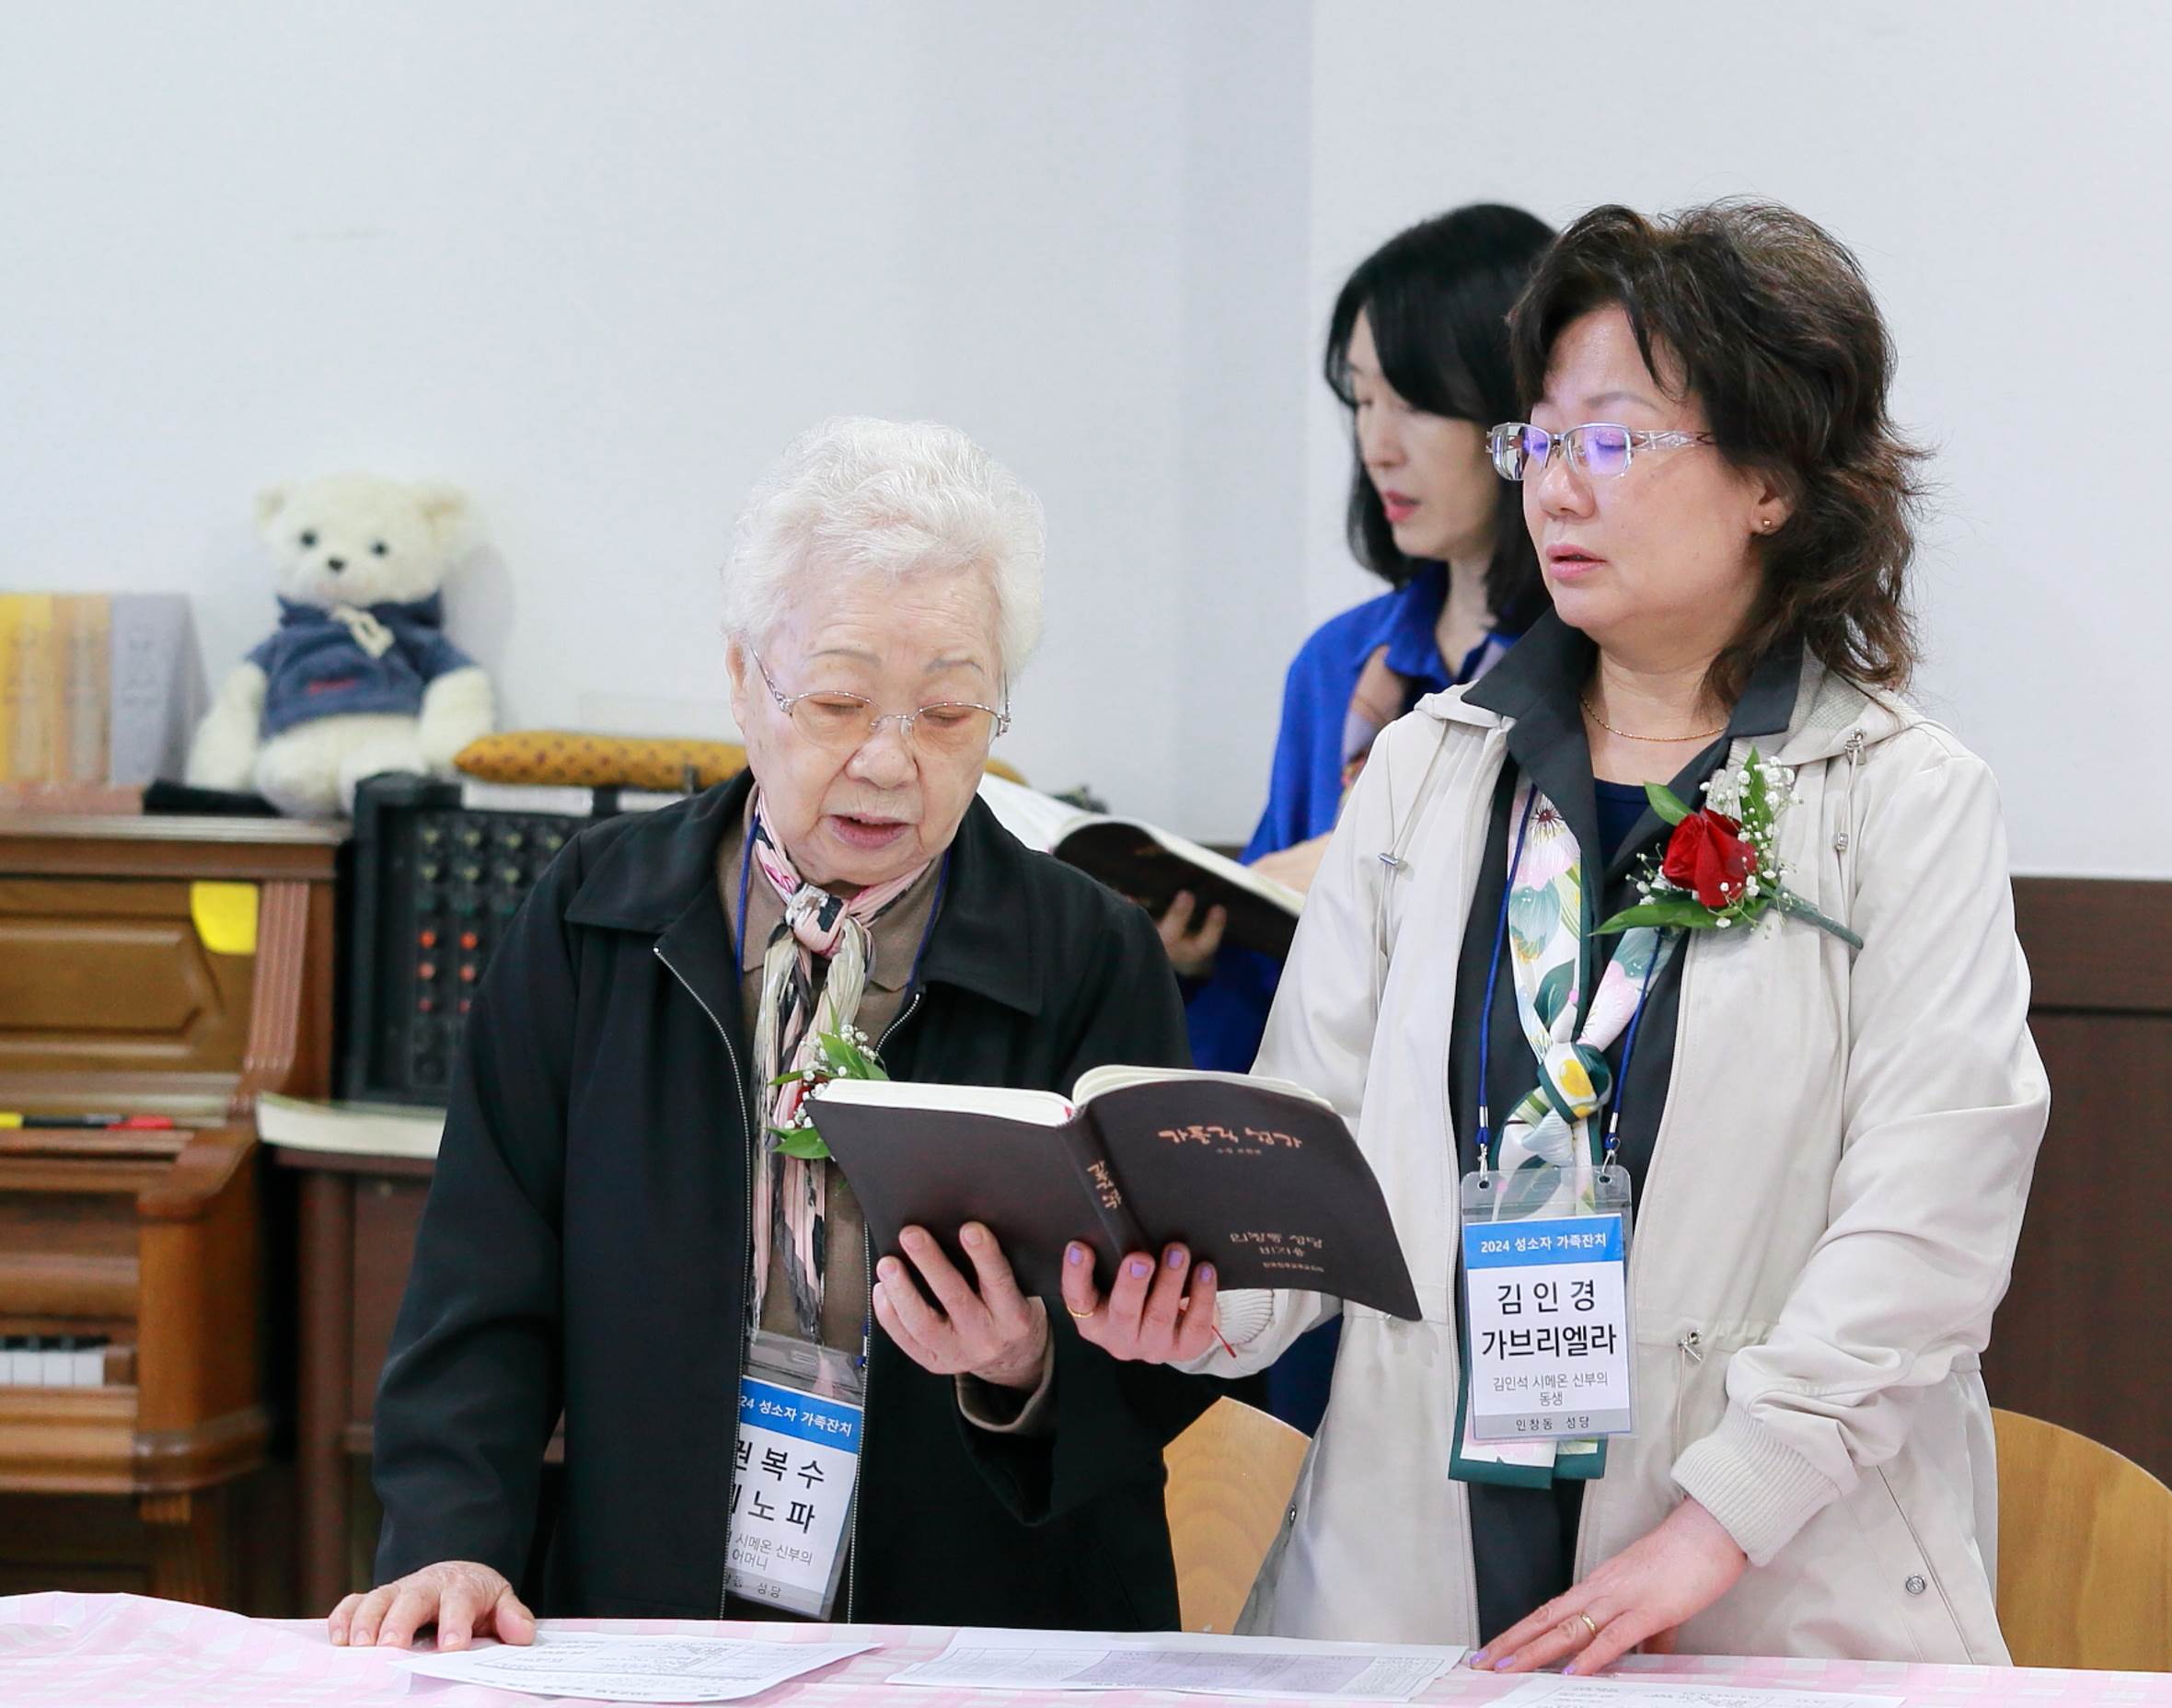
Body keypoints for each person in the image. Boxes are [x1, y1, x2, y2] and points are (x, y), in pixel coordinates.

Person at [1145, 202, 2050, 1668]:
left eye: (1613, 442)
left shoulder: (1901, 798)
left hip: (1764, 1580)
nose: (1556, 489)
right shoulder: (1430, 773)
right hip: (1411, 1571)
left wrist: (1720, 1524)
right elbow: (1311, 1146)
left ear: (1772, 477)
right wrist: (1191, 1305)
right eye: (1539, 441)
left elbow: (1928, 1222)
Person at [333, 419, 1220, 1652]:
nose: (889, 763)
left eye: (949, 712)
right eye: (841, 701)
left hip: (974, 1640)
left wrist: (1026, 1371)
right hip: (650, 1621)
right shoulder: (597, 916)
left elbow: (1160, 1359)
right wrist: (451, 1539)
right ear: (744, 680)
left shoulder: (1088, 957)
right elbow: (482, 1278)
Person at [1172, 203, 1554, 1434]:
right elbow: (1278, 977)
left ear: (1518, 414)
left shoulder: (1588, 670)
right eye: (1359, 399)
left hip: (1510, 1200)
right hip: (1314, 1201)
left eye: (1415, 402)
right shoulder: (1337, 666)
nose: (1377, 444)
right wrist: (1193, 945)